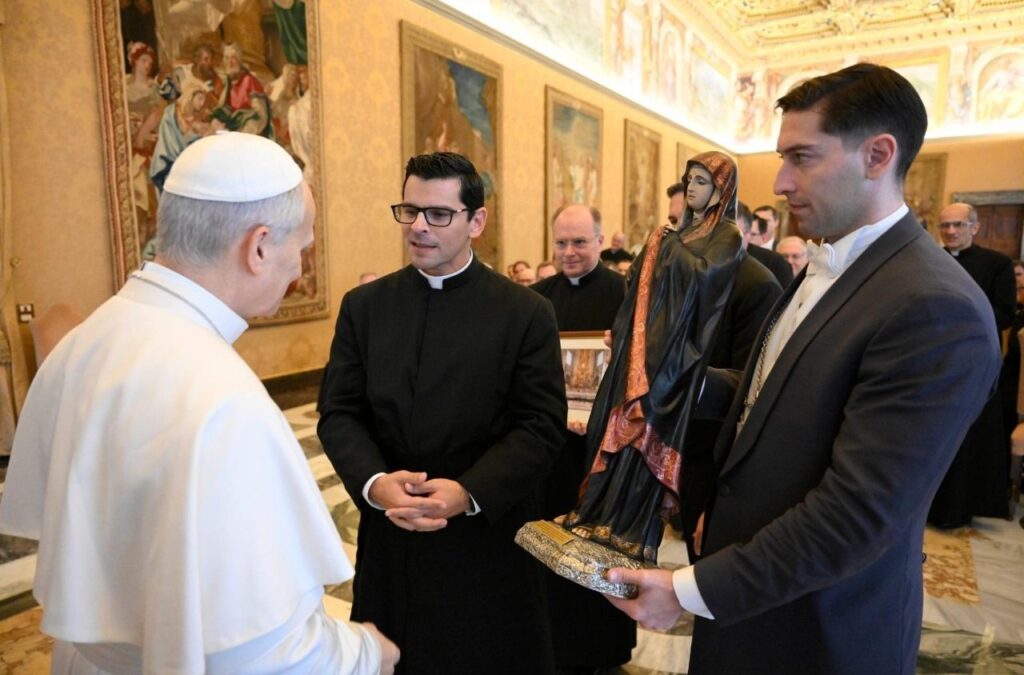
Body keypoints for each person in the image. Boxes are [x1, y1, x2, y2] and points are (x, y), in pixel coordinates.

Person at [605, 63, 1001, 674]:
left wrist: (689, 591)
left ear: (877, 155)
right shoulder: (828, 264)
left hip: (821, 626)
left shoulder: (934, 305)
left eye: (802, 158)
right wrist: (673, 382)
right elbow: (780, 397)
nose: (781, 182)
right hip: (750, 592)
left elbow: (857, 514)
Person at [0, 132, 398, 674]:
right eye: (301, 250)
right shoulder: (226, 401)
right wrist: (369, 651)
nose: (298, 270)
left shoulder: (86, 341)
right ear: (259, 247)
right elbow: (258, 653)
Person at [318, 152, 566, 674]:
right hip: (393, 539)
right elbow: (339, 413)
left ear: (477, 221)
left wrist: (468, 493)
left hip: (486, 541)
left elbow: (540, 427)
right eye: (409, 211)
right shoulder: (364, 307)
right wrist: (375, 482)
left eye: (438, 214)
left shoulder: (525, 313)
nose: (418, 227)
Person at [564, 151, 743, 565]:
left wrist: (668, 246)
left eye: (701, 182)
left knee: (645, 439)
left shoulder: (727, 235)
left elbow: (705, 278)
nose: (692, 188)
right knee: (616, 430)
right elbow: (640, 280)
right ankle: (600, 514)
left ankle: (631, 530)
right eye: (690, 180)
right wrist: (654, 249)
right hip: (643, 348)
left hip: (675, 361)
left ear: (721, 191)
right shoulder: (679, 232)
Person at [532, 204, 633, 672]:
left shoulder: (626, 294)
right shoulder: (536, 299)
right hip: (553, 450)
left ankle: (603, 651)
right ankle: (556, 647)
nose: (569, 252)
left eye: (579, 242)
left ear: (600, 241)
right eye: (561, 243)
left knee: (602, 551)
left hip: (607, 452)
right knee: (553, 547)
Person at [676, 199, 782, 562]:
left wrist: (680, 375)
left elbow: (754, 388)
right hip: (680, 448)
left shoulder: (756, 285)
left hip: (718, 459)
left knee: (713, 564)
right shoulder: (682, 275)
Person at [930, 201, 1015, 527]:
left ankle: (958, 508)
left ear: (974, 227)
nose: (951, 231)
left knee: (967, 438)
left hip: (973, 361)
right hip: (934, 361)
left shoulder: (997, 264)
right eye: (945, 225)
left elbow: (1004, 313)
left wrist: (959, 322)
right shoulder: (931, 260)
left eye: (958, 225)